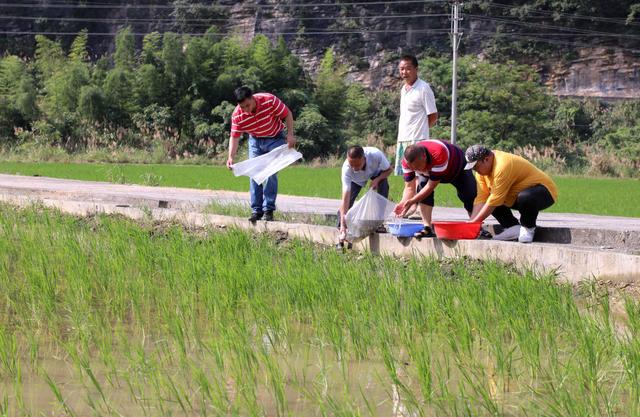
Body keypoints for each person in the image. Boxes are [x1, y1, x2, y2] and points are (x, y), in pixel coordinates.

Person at [226, 86, 296, 222]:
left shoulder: (269, 100)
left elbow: (287, 114)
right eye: (242, 107)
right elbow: (234, 136)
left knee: (270, 173)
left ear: (253, 98)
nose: (246, 109)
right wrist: (230, 157)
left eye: (248, 105)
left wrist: (290, 134)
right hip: (255, 141)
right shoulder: (237, 115)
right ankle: (256, 211)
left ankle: (268, 209)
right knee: (255, 173)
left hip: (275, 137)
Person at [465, 144, 558, 243]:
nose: (476, 171)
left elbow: (494, 201)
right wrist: (472, 223)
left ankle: (528, 228)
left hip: (544, 192)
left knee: (525, 197)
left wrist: (475, 223)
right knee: (490, 199)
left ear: (486, 159)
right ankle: (512, 227)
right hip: (516, 197)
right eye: (473, 169)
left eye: (476, 167)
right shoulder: (482, 173)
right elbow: (481, 198)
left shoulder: (502, 165)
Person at [393, 139, 477, 238]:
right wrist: (403, 203)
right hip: (431, 171)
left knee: (470, 194)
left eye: (419, 166)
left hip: (457, 168)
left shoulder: (438, 153)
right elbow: (409, 188)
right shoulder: (406, 163)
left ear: (424, 156)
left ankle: (476, 226)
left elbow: (431, 186)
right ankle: (427, 227)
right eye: (414, 169)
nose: (418, 170)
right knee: (422, 189)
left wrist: (412, 201)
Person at [338, 145, 392, 243]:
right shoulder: (346, 168)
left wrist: (378, 179)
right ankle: (342, 226)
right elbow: (345, 196)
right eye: (351, 165)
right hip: (356, 179)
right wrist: (342, 224)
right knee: (348, 201)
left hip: (376, 173)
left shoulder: (376, 154)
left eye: (357, 165)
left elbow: (389, 170)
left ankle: (378, 223)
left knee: (383, 186)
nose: (354, 168)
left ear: (364, 159)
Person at [395, 54, 438, 176]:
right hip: (403, 138)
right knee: (407, 177)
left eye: (408, 68)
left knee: (420, 176)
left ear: (416, 69)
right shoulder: (404, 89)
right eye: (401, 69)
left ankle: (421, 195)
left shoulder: (423, 88)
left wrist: (422, 130)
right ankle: (410, 196)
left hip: (418, 140)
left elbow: (433, 115)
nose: (404, 72)